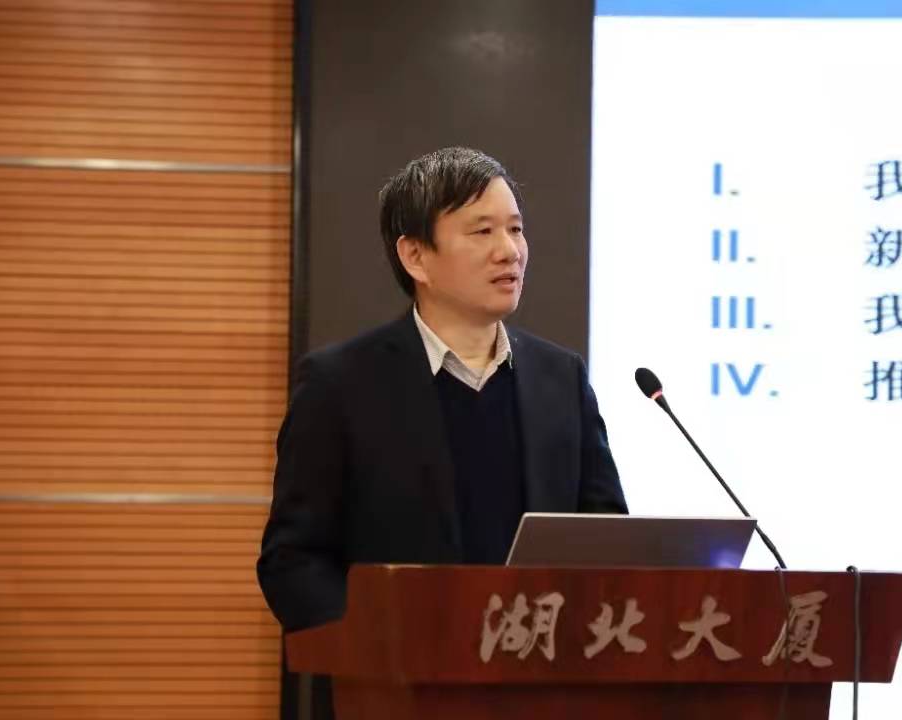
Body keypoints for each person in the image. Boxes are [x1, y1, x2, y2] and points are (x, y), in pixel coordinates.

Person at [257, 146, 627, 634]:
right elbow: (294, 561)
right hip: (395, 673)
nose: (510, 250)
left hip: (541, 671)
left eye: (516, 229)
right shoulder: (340, 385)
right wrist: (377, 642)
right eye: (482, 231)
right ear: (415, 256)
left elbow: (606, 539)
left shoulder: (561, 378)